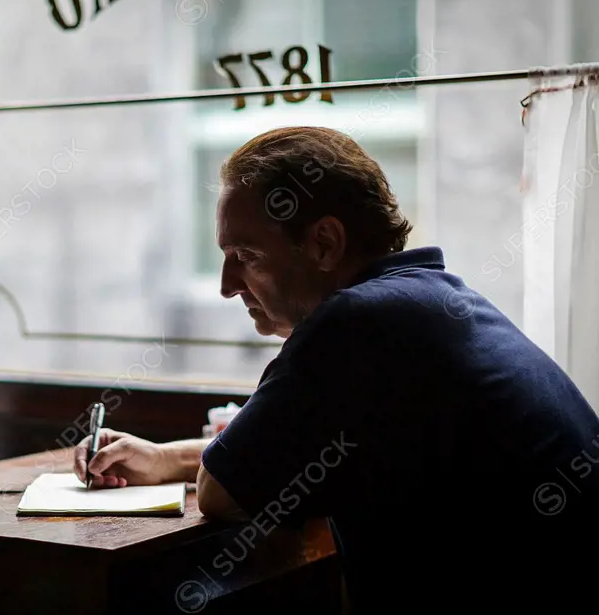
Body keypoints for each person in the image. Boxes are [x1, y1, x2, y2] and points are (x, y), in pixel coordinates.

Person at [72, 127, 599, 612]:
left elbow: (223, 492)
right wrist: (167, 459)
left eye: (246, 254)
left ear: (324, 243)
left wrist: (197, 465)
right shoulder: (427, 299)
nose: (227, 284)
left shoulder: (355, 320)